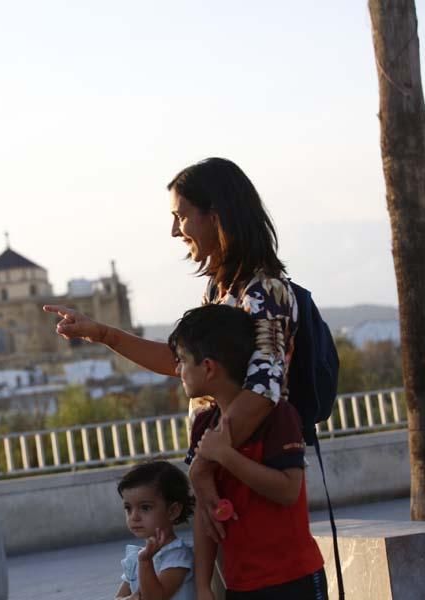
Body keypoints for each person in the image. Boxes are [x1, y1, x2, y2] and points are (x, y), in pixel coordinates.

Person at [43, 157, 297, 545]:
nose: (175, 230)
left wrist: (204, 467)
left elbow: (264, 389)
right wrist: (102, 333)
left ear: (216, 215)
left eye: (181, 216)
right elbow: (180, 363)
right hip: (226, 469)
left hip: (252, 472)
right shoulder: (220, 292)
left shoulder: (265, 291)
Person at [169, 304, 325, 599]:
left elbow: (289, 490)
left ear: (208, 367)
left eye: (182, 361)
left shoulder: (278, 415)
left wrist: (226, 456)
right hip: (240, 583)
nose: (177, 370)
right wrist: (204, 584)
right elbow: (206, 510)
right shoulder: (204, 424)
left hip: (293, 578)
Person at [115, 461, 196, 600]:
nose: (134, 517)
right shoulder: (136, 558)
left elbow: (155, 597)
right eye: (128, 508)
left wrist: (145, 562)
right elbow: (119, 597)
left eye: (145, 508)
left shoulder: (177, 556)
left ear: (173, 511)